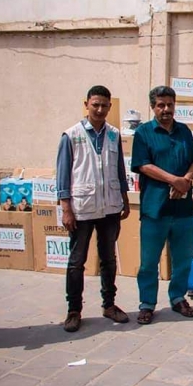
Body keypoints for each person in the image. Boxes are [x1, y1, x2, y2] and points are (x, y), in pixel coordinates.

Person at [57, 85, 131, 332]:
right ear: (86, 104)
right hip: (82, 208)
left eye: (104, 105)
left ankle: (109, 304)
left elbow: (119, 169)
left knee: (108, 258)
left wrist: (124, 198)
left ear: (110, 106)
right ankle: (74, 310)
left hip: (110, 207)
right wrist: (66, 209)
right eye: (95, 105)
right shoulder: (71, 135)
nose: (99, 110)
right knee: (77, 261)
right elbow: (63, 174)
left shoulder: (113, 134)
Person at [131, 86, 193, 324]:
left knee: (183, 258)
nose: (166, 109)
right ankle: (147, 303)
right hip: (154, 209)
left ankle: (178, 297)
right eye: (161, 105)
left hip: (182, 209)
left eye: (170, 104)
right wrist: (174, 180)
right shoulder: (143, 133)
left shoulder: (184, 131)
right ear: (153, 107)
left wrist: (186, 181)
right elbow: (143, 165)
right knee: (149, 262)